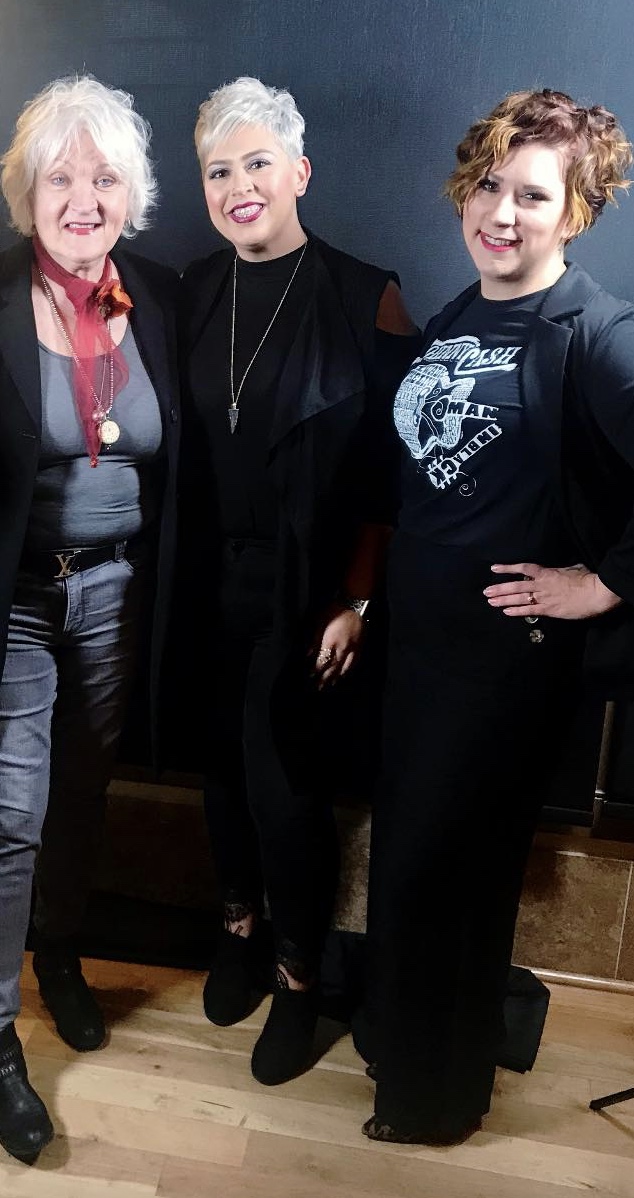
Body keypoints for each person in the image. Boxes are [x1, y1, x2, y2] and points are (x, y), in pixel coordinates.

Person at [361, 88, 634, 1145]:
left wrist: (602, 581)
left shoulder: (596, 332)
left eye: (532, 194)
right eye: (489, 183)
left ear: (575, 211)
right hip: (419, 645)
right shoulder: (460, 312)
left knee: (449, 873)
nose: (502, 212)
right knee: (416, 862)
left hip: (501, 661)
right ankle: (411, 1045)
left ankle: (432, 1102)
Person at [178, 75, 419, 1088]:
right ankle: (234, 931)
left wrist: (357, 599)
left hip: (309, 597)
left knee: (288, 794)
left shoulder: (371, 294)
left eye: (257, 162)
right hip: (203, 583)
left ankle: (297, 979)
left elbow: (392, 478)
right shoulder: (188, 289)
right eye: (218, 170)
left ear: (299, 171)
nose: (238, 185)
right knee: (219, 778)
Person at [0, 75, 180, 1163]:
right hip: (17, 595)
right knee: (10, 810)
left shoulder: (146, 297)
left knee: (81, 791)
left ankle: (59, 951)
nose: (82, 196)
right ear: (27, 193)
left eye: (103, 175)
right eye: (59, 176)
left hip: (115, 590)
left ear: (131, 193)